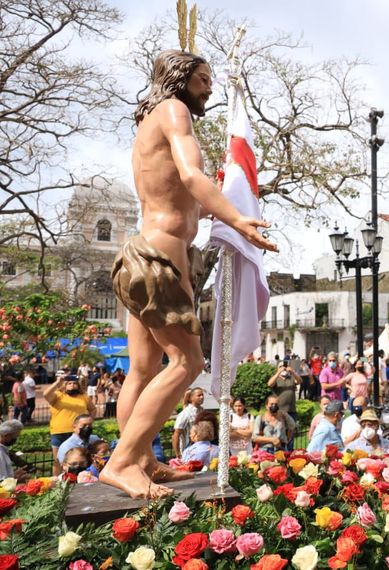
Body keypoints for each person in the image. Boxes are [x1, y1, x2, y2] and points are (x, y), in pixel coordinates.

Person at [101, 49, 277, 499]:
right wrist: (238, 219)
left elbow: (184, 190)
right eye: (203, 79)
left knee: (141, 369)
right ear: (180, 80)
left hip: (138, 250)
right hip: (162, 252)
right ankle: (122, 462)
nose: (209, 87)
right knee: (187, 361)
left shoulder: (149, 123)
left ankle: (143, 460)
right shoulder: (175, 111)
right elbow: (192, 174)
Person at [45, 374, 95, 476]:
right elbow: (46, 394)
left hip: (79, 433)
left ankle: (79, 477)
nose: (72, 385)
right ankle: (58, 481)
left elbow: (93, 409)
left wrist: (89, 421)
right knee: (58, 460)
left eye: (75, 383)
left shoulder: (84, 397)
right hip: (59, 432)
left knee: (79, 458)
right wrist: (57, 383)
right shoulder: (58, 395)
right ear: (65, 385)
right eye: (69, 383)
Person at [172, 387, 204, 458]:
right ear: (191, 398)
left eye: (202, 395)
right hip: (188, 451)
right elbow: (176, 435)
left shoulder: (203, 411)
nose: (202, 397)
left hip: (202, 450)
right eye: (199, 395)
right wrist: (178, 454)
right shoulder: (185, 413)